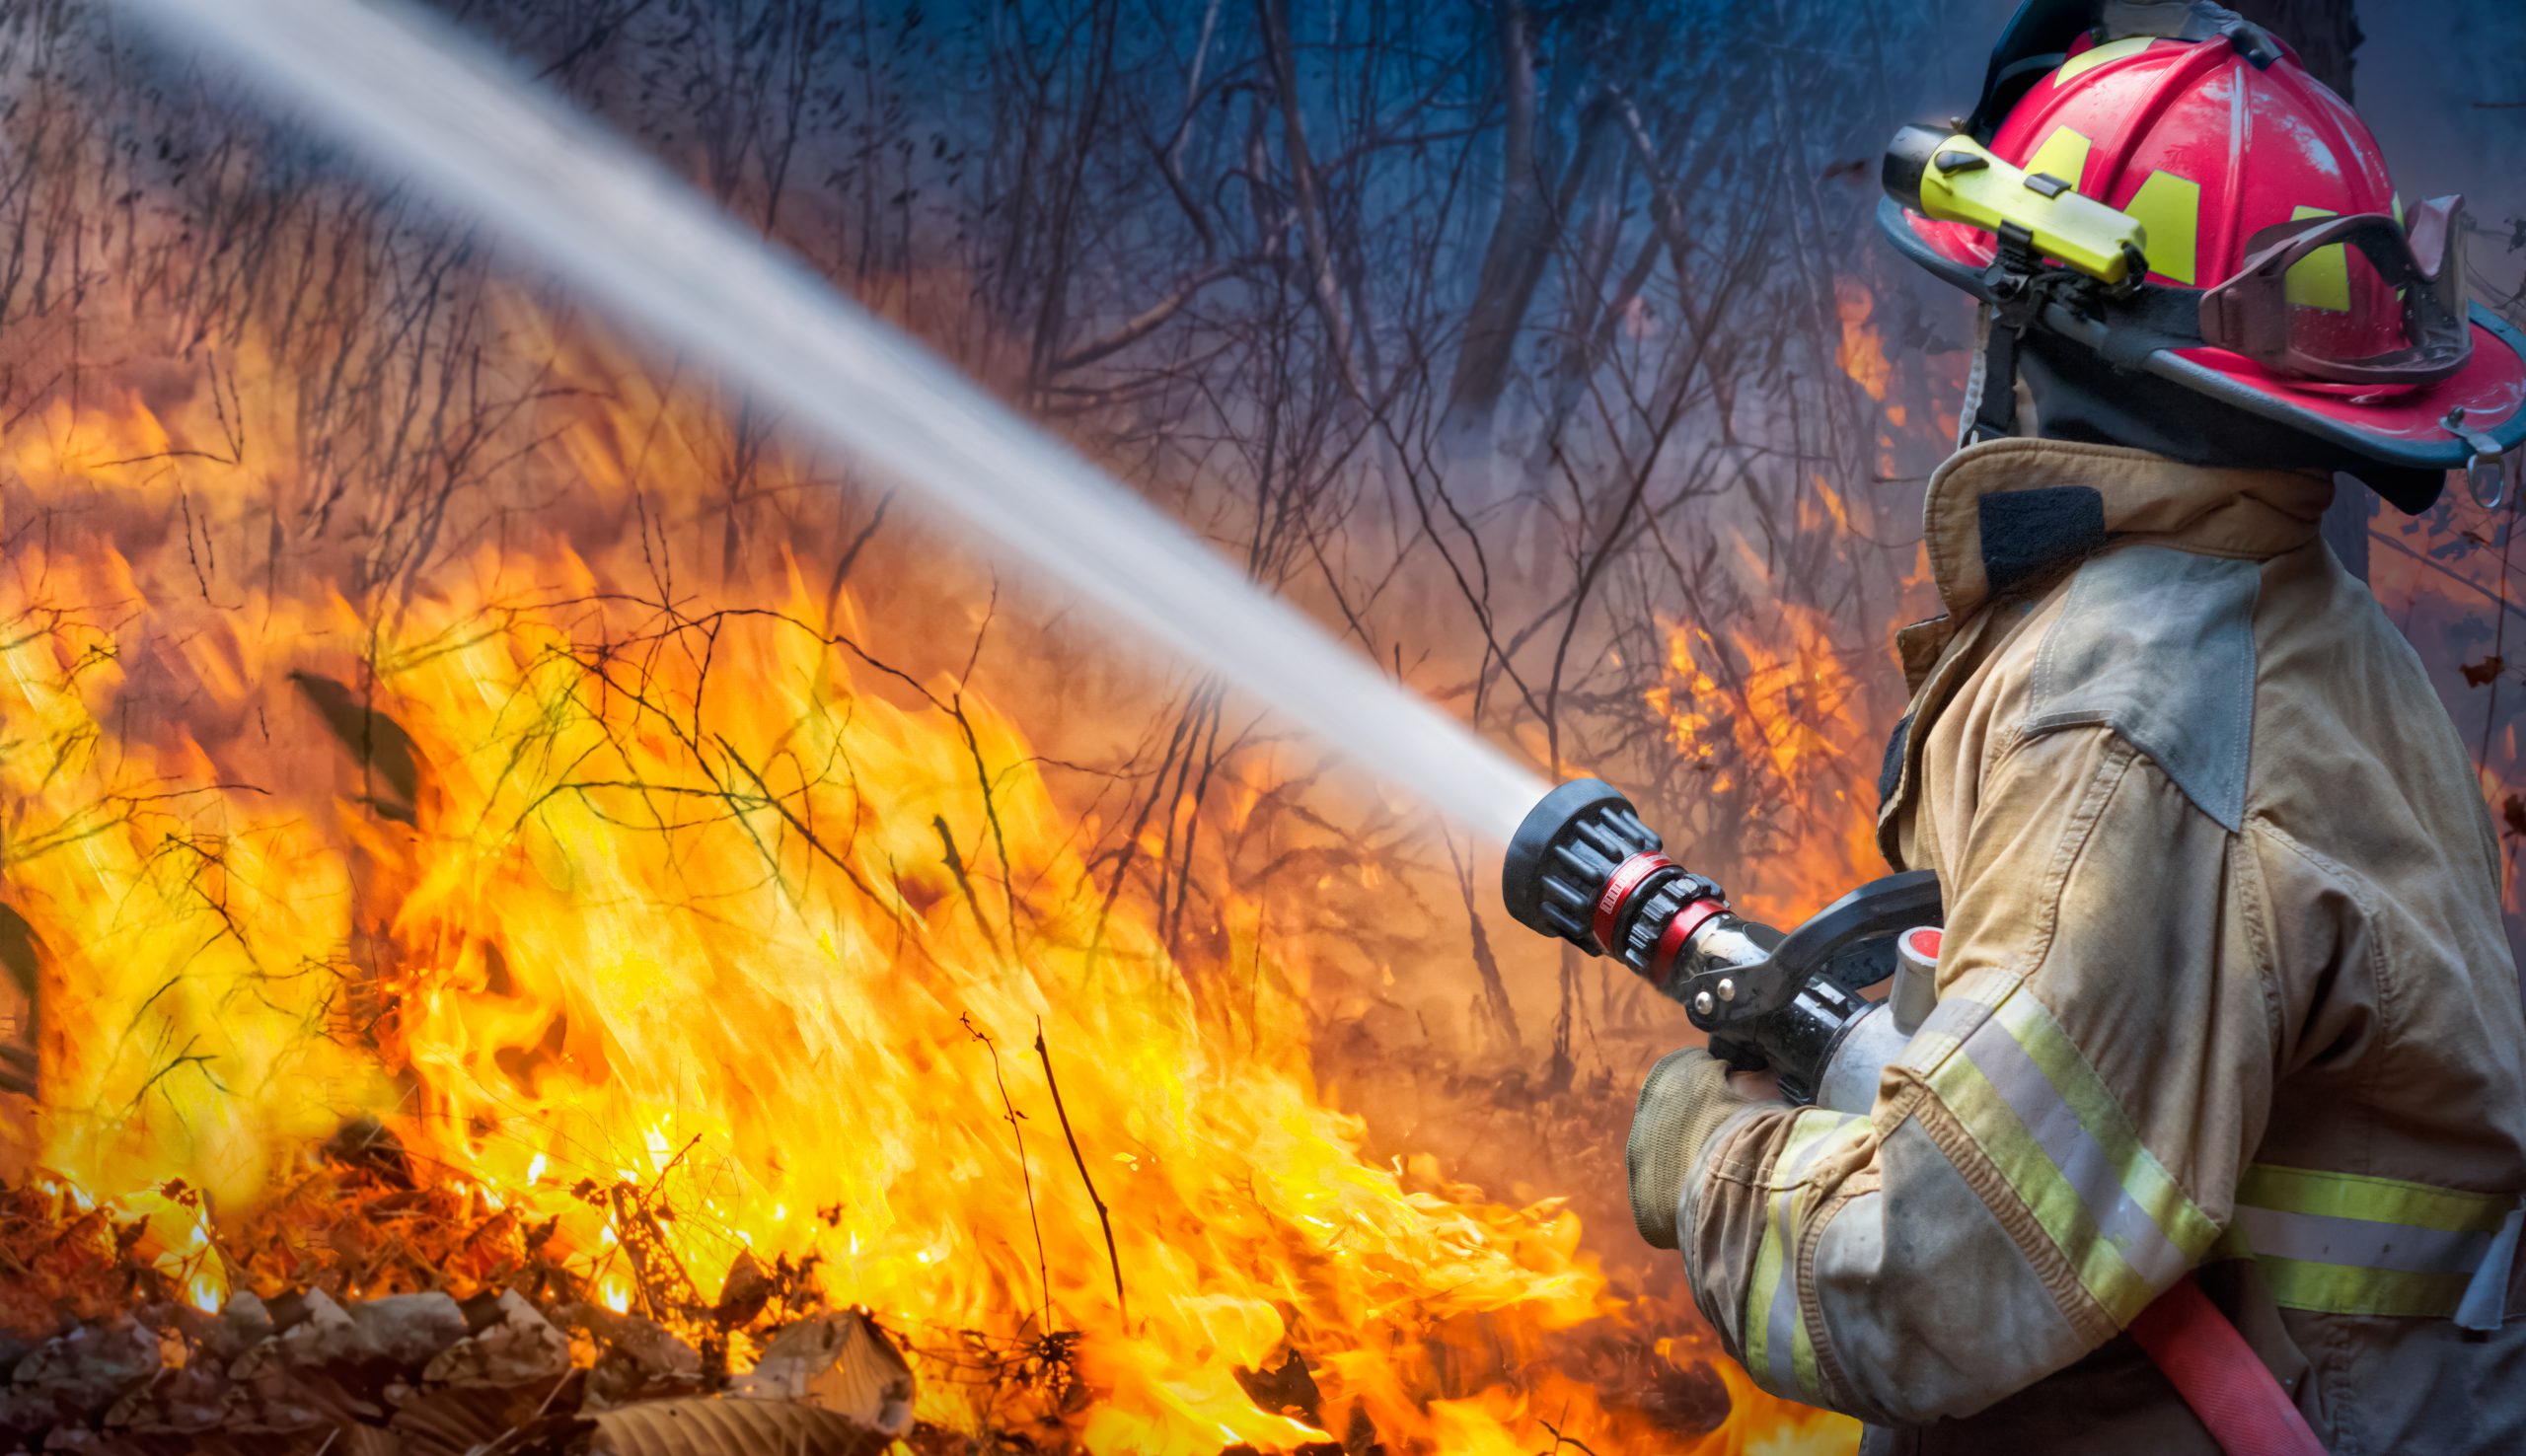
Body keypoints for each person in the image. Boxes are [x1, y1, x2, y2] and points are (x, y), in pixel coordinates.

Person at [1622, 2, 2526, 1451]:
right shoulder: (2287, 614)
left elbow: (1929, 1275)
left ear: (2040, 324)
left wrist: (1705, 1157)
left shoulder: (2130, 721)